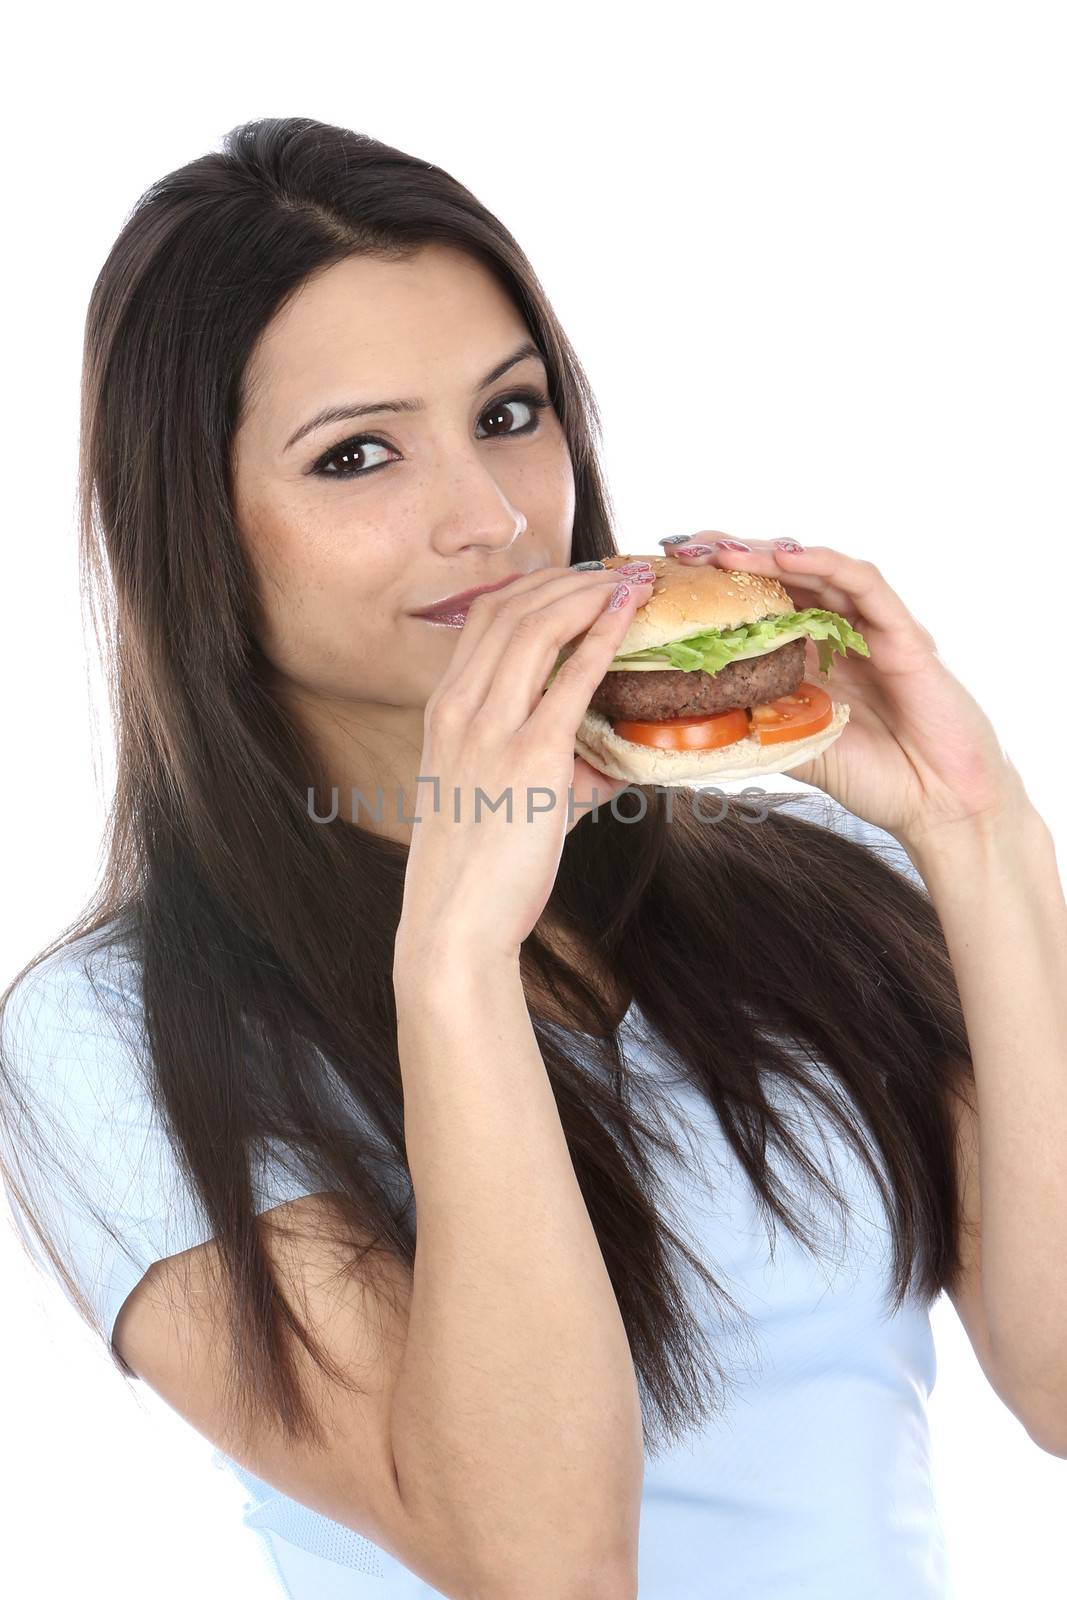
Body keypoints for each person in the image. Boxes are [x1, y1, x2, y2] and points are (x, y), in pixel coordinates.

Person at [2, 115, 1060, 1600]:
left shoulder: (802, 883)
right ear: (199, 530)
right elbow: (542, 1563)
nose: (490, 521)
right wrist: (455, 957)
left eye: (510, 415)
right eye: (356, 454)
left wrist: (979, 830)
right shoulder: (109, 1039)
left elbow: (1062, 1383)